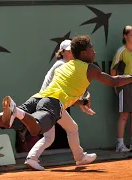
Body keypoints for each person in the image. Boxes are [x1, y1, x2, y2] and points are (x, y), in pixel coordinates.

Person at [0, 35, 132, 159]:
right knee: (36, 129)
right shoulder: (90, 68)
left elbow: (66, 90)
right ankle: (16, 111)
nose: (95, 51)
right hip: (52, 103)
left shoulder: (65, 66)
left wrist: (81, 101)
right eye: (92, 49)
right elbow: (114, 81)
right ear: (84, 53)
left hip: (38, 98)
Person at [24, 39, 97, 170]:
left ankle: (79, 157)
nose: (71, 53)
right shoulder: (62, 65)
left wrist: (83, 104)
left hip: (52, 102)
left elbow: (71, 93)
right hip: (49, 103)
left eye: (71, 51)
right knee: (52, 135)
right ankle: (32, 158)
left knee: (69, 129)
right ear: (62, 52)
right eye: (68, 51)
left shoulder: (69, 65)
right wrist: (83, 103)